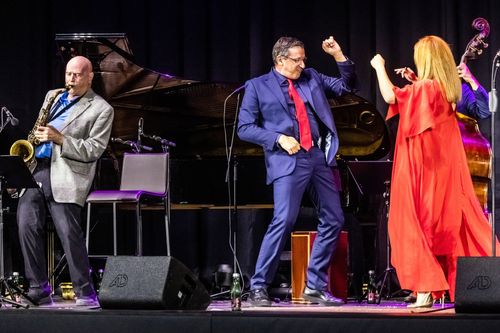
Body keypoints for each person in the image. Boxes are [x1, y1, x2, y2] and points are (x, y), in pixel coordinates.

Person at [370, 35, 498, 308]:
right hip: (444, 171)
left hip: (423, 169)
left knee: (418, 224)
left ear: (427, 60)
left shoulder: (426, 88)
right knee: (443, 227)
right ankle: (434, 287)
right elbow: (425, 103)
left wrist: (379, 66)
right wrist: (415, 79)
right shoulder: (441, 88)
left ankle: (426, 288)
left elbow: (390, 95)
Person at [237, 36, 356, 306]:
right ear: (280, 60)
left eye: (304, 58)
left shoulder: (311, 77)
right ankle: (258, 287)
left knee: (334, 218)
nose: (303, 63)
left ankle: (314, 286)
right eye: (297, 59)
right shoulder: (257, 86)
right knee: (284, 220)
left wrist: (338, 55)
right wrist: (278, 138)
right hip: (287, 158)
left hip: (317, 156)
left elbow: (347, 86)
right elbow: (244, 128)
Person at [17, 56, 114, 306]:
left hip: (67, 175)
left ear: (90, 76)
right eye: (68, 73)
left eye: (78, 75)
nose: (71, 79)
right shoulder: (53, 95)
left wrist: (59, 139)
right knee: (26, 225)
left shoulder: (101, 109)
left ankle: (86, 292)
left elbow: (94, 149)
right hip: (37, 168)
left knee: (69, 234)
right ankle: (39, 287)